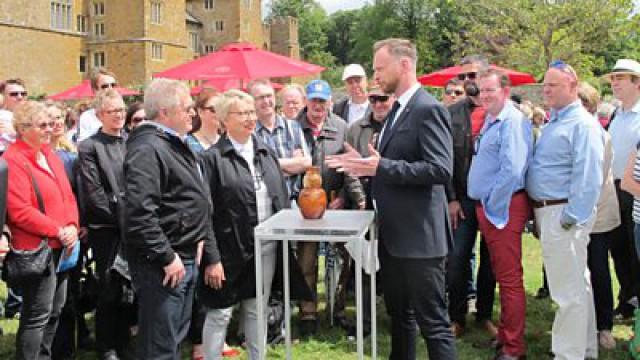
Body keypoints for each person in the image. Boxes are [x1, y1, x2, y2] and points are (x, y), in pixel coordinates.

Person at [327, 37, 457, 359]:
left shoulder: (428, 108)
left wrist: (381, 166)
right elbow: (393, 166)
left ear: (404, 65)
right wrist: (369, 167)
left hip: (420, 238)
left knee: (433, 324)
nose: (376, 76)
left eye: (380, 68)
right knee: (401, 317)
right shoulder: (398, 110)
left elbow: (440, 169)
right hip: (395, 236)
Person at [198, 89, 309, 360]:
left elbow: (279, 198)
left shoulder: (264, 152)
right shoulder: (212, 159)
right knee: (221, 313)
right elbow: (204, 213)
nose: (250, 118)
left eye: (251, 112)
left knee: (256, 308)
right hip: (228, 250)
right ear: (225, 119)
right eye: (242, 113)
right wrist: (212, 258)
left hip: (266, 246)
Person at [124, 78, 212, 359]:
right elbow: (139, 212)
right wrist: (165, 256)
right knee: (159, 345)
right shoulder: (148, 148)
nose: (193, 114)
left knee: (173, 339)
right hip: (164, 263)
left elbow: (184, 198)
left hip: (183, 254)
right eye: (187, 108)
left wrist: (196, 236)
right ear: (164, 112)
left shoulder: (171, 143)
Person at [527, 60, 604, 360]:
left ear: (573, 86)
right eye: (544, 84)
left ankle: (568, 354)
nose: (546, 90)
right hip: (553, 211)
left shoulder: (581, 124)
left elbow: (588, 177)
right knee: (577, 286)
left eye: (553, 85)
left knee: (566, 293)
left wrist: (570, 218)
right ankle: (584, 349)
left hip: (562, 213)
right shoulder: (556, 121)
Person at [4, 100, 80, 360]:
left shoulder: (48, 154)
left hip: (61, 245)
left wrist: (71, 225)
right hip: (38, 249)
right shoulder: (13, 160)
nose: (50, 129)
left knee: (54, 311)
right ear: (23, 129)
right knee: (37, 315)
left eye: (51, 124)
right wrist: (58, 230)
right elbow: (19, 210)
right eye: (43, 125)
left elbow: (67, 195)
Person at [467, 69, 532, 360]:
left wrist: (493, 203)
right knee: (502, 276)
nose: (484, 95)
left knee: (509, 280)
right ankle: (505, 339)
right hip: (491, 207)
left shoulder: (513, 121)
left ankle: (514, 348)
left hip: (502, 208)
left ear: (505, 91)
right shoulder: (492, 119)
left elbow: (513, 170)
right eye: (481, 90)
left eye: (490, 90)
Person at [295, 79, 365, 337]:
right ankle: (308, 312)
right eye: (313, 100)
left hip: (336, 203)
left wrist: (345, 197)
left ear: (329, 103)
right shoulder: (295, 128)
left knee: (344, 261)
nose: (317, 106)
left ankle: (337, 309)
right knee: (307, 260)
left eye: (322, 101)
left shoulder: (342, 127)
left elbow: (351, 167)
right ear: (307, 101)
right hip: (305, 207)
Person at [445, 55, 497, 338]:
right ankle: (457, 316)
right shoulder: (451, 113)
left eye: (473, 75)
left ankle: (485, 314)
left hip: (492, 199)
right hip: (462, 198)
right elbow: (445, 160)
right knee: (457, 258)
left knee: (491, 262)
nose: (468, 81)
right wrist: (451, 198)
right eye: (463, 77)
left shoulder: (501, 111)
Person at [78, 89, 132, 360]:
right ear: (100, 115)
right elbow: (94, 193)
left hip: (133, 226)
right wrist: (121, 218)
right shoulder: (89, 147)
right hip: (108, 229)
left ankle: (125, 340)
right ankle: (107, 345)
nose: (119, 116)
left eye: (122, 110)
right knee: (110, 288)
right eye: (113, 111)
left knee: (129, 288)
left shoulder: (131, 141)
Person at [578, 81, 620, 351]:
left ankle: (604, 326)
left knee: (598, 269)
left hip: (599, 211)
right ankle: (582, 324)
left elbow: (595, 177)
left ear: (589, 106)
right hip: (578, 213)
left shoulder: (596, 133)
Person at [604, 58, 640, 320]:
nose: (614, 83)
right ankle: (627, 297)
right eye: (613, 79)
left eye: (621, 78)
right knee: (618, 247)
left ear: (636, 83)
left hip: (634, 190)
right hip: (613, 188)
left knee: (635, 247)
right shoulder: (617, 114)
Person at [248, 78, 310, 197]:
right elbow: (254, 168)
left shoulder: (293, 127)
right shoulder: (250, 133)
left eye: (269, 96)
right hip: (265, 200)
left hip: (293, 200)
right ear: (252, 102)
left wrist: (269, 165)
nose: (266, 101)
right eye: (260, 98)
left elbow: (307, 163)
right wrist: (293, 163)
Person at [77, 68, 119, 142]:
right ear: (95, 90)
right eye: (105, 86)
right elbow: (83, 146)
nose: (110, 89)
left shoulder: (123, 114)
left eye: (113, 85)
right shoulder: (87, 117)